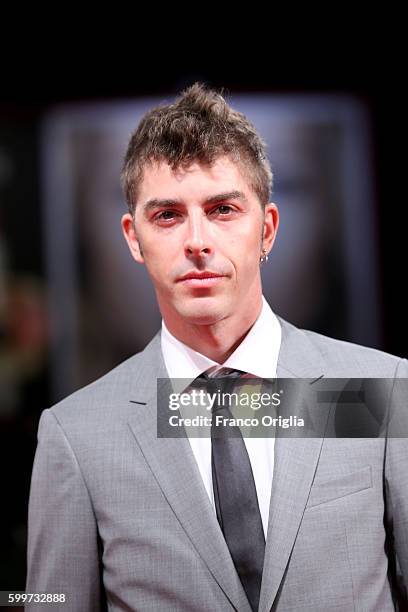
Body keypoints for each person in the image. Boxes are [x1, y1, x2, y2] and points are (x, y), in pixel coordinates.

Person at [26, 83, 408, 611]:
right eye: (167, 215)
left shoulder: (379, 392)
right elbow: (50, 600)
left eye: (223, 209)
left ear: (267, 228)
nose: (198, 240)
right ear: (133, 237)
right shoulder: (79, 435)